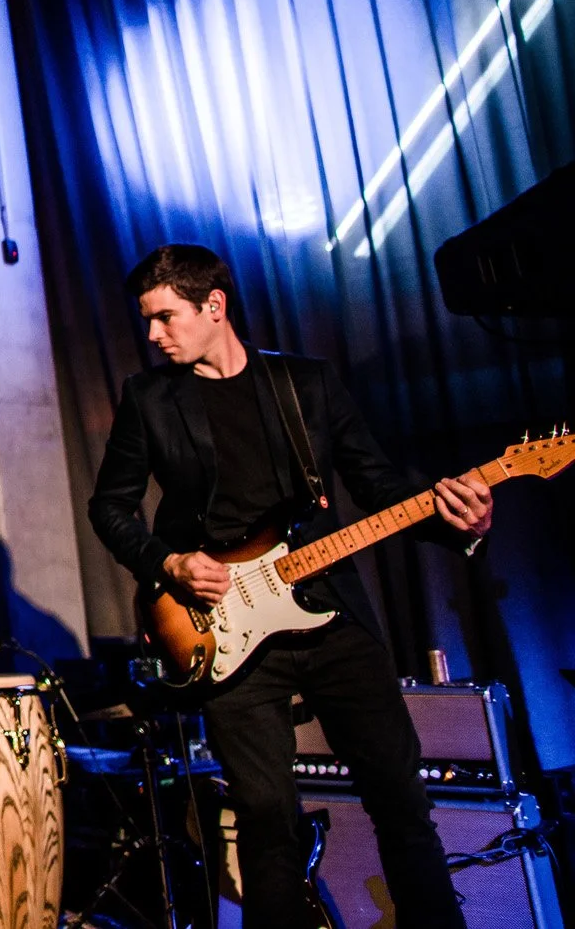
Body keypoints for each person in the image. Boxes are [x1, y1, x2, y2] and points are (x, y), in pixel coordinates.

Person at [87, 244, 493, 929]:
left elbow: (379, 486)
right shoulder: (150, 397)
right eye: (148, 321)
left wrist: (460, 522)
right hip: (221, 624)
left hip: (328, 609)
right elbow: (109, 506)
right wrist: (169, 563)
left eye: (163, 317)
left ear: (213, 305)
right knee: (266, 816)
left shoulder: (306, 383)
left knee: (399, 797)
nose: (152, 334)